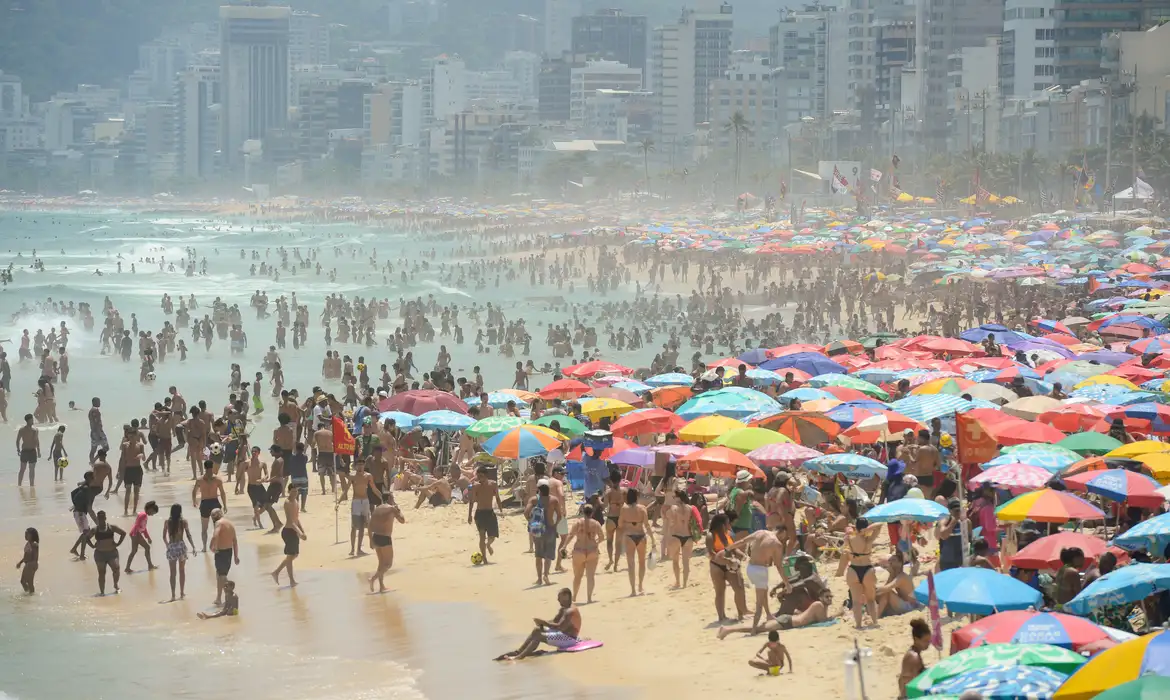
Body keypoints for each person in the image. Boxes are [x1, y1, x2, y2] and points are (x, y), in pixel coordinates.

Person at [726, 522, 788, 633]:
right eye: (785, 536)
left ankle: (768, 614)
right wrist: (787, 583)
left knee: (764, 590)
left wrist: (729, 548)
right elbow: (779, 566)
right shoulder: (777, 544)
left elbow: (742, 541)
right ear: (782, 532)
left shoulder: (760, 532)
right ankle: (754, 629)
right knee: (759, 602)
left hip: (750, 568)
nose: (784, 538)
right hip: (760, 570)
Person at [494, 588, 582, 661]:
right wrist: (541, 623)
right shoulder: (563, 608)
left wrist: (544, 623)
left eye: (559, 597)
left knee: (539, 636)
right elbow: (554, 621)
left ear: (566, 596)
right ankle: (519, 651)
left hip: (569, 639)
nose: (558, 600)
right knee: (537, 630)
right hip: (562, 635)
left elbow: (559, 627)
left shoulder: (570, 611)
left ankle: (519, 657)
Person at [838, 516, 882, 629]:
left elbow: (843, 548)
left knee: (856, 602)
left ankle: (858, 625)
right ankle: (875, 622)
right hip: (867, 569)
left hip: (854, 569)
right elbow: (879, 524)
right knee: (871, 600)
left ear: (856, 527)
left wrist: (858, 531)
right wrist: (867, 529)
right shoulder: (868, 540)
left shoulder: (850, 538)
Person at [707, 512, 748, 623]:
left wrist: (742, 555)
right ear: (722, 525)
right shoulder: (711, 535)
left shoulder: (729, 534)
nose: (730, 525)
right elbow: (711, 553)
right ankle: (721, 617)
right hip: (717, 566)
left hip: (731, 565)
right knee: (720, 592)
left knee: (738, 589)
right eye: (728, 523)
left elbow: (734, 548)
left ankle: (740, 614)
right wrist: (726, 560)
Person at [616, 486, 653, 596]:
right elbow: (647, 525)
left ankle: (633, 590)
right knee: (642, 562)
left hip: (629, 536)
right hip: (641, 535)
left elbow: (620, 524)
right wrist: (653, 539)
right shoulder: (642, 508)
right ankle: (640, 585)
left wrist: (627, 524)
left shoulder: (624, 509)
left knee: (631, 564)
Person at [563, 503, 603, 603]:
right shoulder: (596, 523)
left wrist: (564, 546)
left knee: (577, 576)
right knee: (590, 576)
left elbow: (571, 535)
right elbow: (602, 537)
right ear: (592, 513)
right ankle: (589, 598)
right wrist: (596, 542)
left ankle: (574, 596)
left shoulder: (578, 523)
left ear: (582, 512)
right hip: (592, 550)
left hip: (579, 550)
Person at [526, 479, 562, 586]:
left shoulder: (533, 500)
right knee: (548, 555)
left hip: (538, 530)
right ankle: (546, 575)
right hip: (550, 529)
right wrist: (555, 525)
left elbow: (526, 513)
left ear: (538, 489)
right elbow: (559, 516)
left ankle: (539, 579)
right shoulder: (554, 500)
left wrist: (531, 523)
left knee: (538, 555)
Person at [272, 482, 307, 587]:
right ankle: (291, 580)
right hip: (288, 531)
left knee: (293, 555)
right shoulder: (287, 503)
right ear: (289, 491)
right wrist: (300, 533)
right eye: (293, 491)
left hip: (294, 531)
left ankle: (276, 572)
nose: (295, 493)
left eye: (296, 491)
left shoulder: (296, 501)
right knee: (290, 556)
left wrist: (302, 531)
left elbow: (297, 519)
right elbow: (291, 521)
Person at [664, 487, 700, 588]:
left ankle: (678, 582)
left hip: (676, 536)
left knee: (675, 561)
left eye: (674, 497)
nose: (673, 498)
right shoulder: (690, 508)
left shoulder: (674, 508)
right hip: (688, 537)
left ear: (678, 497)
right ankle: (684, 584)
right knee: (686, 562)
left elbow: (667, 516)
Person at [368, 495, 405, 593]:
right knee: (388, 564)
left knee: (381, 563)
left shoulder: (377, 509)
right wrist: (399, 510)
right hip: (385, 538)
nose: (394, 500)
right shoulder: (392, 509)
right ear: (389, 499)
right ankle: (373, 578)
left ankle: (381, 586)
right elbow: (402, 520)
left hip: (375, 536)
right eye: (392, 498)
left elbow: (369, 526)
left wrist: (370, 540)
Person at [85, 510, 126, 595]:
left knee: (116, 568)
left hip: (112, 553)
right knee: (101, 573)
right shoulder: (95, 529)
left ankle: (116, 585)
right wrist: (92, 546)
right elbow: (87, 538)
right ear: (97, 519)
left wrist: (118, 543)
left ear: (105, 518)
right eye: (99, 519)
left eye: (102, 518)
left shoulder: (111, 527)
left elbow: (123, 533)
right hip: (100, 554)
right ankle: (102, 592)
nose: (101, 520)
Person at [468, 465, 502, 565]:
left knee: (493, 535)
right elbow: (471, 501)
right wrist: (469, 515)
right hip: (480, 513)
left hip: (490, 512)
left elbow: (497, 497)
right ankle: (485, 559)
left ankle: (488, 545)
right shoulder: (475, 486)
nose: (479, 478)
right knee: (482, 536)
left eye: (481, 476)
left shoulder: (493, 484)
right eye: (478, 476)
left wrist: (501, 510)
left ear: (486, 475)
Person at [162, 503, 197, 601]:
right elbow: (188, 535)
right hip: (181, 547)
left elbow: (163, 536)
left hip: (172, 547)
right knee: (182, 571)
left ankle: (173, 595)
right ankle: (181, 593)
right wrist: (193, 546)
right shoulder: (183, 522)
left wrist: (167, 545)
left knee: (172, 573)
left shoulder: (167, 522)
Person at [192, 461, 227, 552]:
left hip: (205, 504)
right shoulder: (217, 479)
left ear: (204, 467)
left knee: (204, 528)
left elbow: (194, 491)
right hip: (214, 503)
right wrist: (225, 505)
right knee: (218, 527)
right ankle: (218, 546)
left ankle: (204, 547)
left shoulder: (200, 480)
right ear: (212, 467)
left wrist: (194, 502)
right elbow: (222, 493)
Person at [875, 552, 920, 617]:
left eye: (893, 560)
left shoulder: (902, 576)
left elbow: (887, 588)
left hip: (911, 606)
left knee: (887, 592)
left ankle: (876, 616)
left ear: (900, 563)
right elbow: (885, 587)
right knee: (881, 594)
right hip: (903, 602)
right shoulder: (895, 575)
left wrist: (872, 590)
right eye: (890, 560)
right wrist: (891, 574)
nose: (891, 562)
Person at [209, 509, 239, 606]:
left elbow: (215, 535)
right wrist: (236, 556)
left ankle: (232, 595)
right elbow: (235, 541)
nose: (212, 518)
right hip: (229, 552)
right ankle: (218, 598)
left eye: (213, 516)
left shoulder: (218, 523)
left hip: (221, 552)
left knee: (222, 577)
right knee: (219, 576)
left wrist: (214, 547)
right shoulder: (230, 524)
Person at [899, 619, 932, 699]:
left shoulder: (913, 653)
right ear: (916, 639)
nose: (928, 644)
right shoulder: (914, 658)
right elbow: (917, 682)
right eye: (925, 641)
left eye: (929, 641)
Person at [124, 500, 159, 573]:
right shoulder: (143, 515)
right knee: (147, 547)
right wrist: (136, 535)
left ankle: (127, 568)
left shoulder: (144, 515)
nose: (152, 515)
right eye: (153, 512)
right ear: (150, 509)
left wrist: (148, 537)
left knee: (134, 551)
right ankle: (150, 565)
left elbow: (144, 528)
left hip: (134, 533)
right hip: (136, 533)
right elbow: (136, 525)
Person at [16, 413, 40, 486]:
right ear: (28, 420)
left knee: (32, 469)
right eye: (32, 419)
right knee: (22, 469)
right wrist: (18, 449)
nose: (33, 421)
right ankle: (19, 484)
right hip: (25, 451)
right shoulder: (22, 430)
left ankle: (32, 485)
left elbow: (37, 441)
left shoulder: (35, 430)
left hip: (32, 451)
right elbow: (17, 440)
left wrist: (38, 451)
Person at [16, 527, 39, 594]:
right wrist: (20, 562)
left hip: (31, 564)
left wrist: (27, 563)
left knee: (24, 582)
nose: (25, 535)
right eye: (25, 534)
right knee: (28, 582)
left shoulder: (34, 544)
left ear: (32, 535)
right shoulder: (29, 543)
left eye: (27, 534)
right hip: (30, 564)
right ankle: (30, 594)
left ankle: (29, 594)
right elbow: (26, 556)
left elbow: (32, 556)